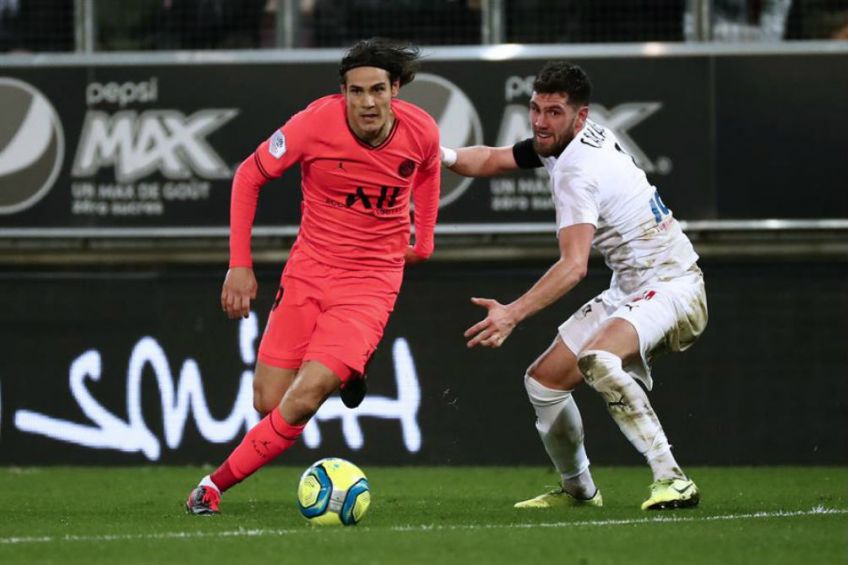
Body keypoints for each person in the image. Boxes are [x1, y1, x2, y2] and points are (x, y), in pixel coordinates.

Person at [185, 38, 441, 515]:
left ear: (395, 89)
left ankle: (211, 487)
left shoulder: (421, 130)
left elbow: (427, 172)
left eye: (377, 90)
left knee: (302, 399)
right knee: (269, 403)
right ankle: (350, 370)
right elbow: (248, 176)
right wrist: (239, 264)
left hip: (370, 282)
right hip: (309, 271)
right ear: (343, 93)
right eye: (356, 91)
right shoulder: (313, 124)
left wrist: (423, 240)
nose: (367, 102)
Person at [441, 61, 707, 511]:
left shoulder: (576, 172)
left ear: (580, 116)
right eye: (535, 109)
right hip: (633, 287)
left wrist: (512, 313)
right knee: (543, 383)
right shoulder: (569, 140)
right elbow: (490, 158)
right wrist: (439, 154)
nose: (540, 122)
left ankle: (673, 479)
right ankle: (579, 489)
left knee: (598, 359)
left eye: (554, 112)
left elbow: (573, 267)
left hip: (674, 286)